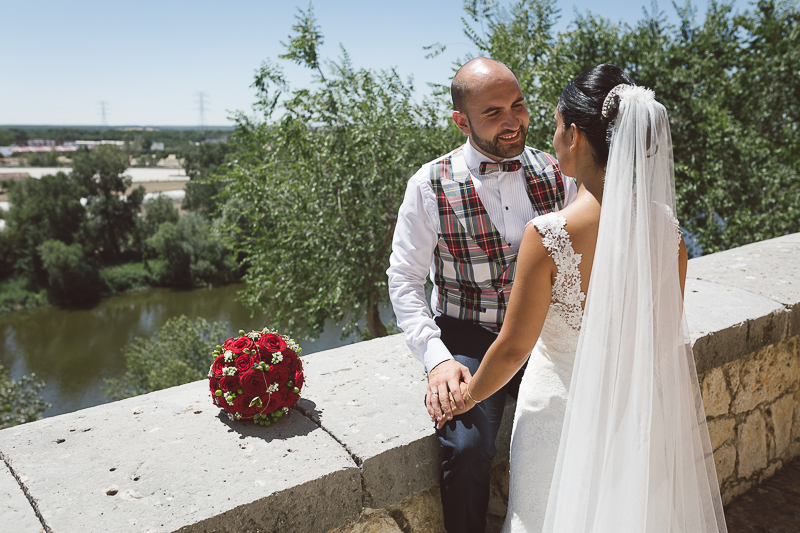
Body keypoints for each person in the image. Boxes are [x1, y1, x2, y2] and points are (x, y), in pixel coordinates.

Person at [446, 64, 728, 532]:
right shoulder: (670, 233)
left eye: (557, 127)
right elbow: (659, 341)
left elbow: (515, 347)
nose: (553, 137)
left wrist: (467, 397)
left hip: (557, 420)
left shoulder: (549, 234)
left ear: (574, 135)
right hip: (631, 421)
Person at [386, 57, 577, 533]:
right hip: (468, 335)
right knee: (467, 450)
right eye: (493, 113)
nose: (512, 121)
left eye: (518, 105)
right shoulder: (428, 184)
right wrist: (436, 358)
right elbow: (405, 279)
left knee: (584, 426)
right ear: (460, 120)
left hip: (546, 334)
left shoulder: (558, 171)